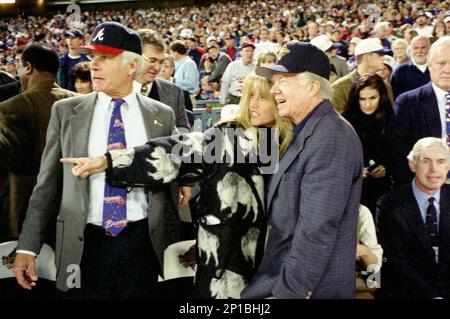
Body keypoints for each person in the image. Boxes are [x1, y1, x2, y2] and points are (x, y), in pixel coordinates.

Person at [60, 73, 294, 299]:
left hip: (281, 269)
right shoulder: (230, 137)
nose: (252, 104)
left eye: (262, 97)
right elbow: (177, 151)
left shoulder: (293, 144)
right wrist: (110, 161)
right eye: (249, 95)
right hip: (228, 273)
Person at [12, 22, 177, 299]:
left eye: (105, 58)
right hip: (84, 244)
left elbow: (174, 169)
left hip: (143, 243)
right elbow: (47, 185)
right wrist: (28, 246)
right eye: (93, 57)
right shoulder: (66, 111)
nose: (94, 65)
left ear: (131, 66)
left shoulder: (161, 114)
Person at [240, 41, 363, 299]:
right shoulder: (305, 129)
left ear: (313, 86)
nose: (274, 90)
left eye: (283, 81)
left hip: (310, 288)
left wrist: (289, 292)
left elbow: (316, 230)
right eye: (274, 82)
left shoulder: (332, 137)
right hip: (280, 276)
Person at [0, 44, 77, 239]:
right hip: (73, 206)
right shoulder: (82, 102)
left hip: (24, 210)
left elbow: (7, 159)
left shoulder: (10, 107)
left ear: (28, 67)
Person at [376, 137, 450, 299]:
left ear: (448, 166)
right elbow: (396, 262)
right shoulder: (390, 204)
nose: (433, 169)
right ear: (412, 165)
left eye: (440, 162)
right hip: (408, 292)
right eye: (426, 161)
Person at [390, 36, 450, 187]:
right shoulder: (408, 103)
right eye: (441, 63)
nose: (447, 69)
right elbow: (398, 153)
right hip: (425, 188)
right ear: (430, 65)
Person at [343, 73, 393, 216]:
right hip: (353, 190)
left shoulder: (392, 119)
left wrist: (386, 167)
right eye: (362, 99)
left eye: (373, 98)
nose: (368, 104)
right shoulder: (345, 122)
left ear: (381, 97)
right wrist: (357, 171)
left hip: (385, 189)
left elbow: (398, 151)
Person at [134, 29, 189, 129]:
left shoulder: (174, 91)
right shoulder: (114, 89)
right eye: (152, 60)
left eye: (161, 62)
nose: (157, 68)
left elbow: (183, 128)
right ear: (134, 57)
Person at [331, 38, 393, 114]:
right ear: (366, 57)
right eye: (380, 55)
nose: (384, 58)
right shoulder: (340, 87)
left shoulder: (385, 87)